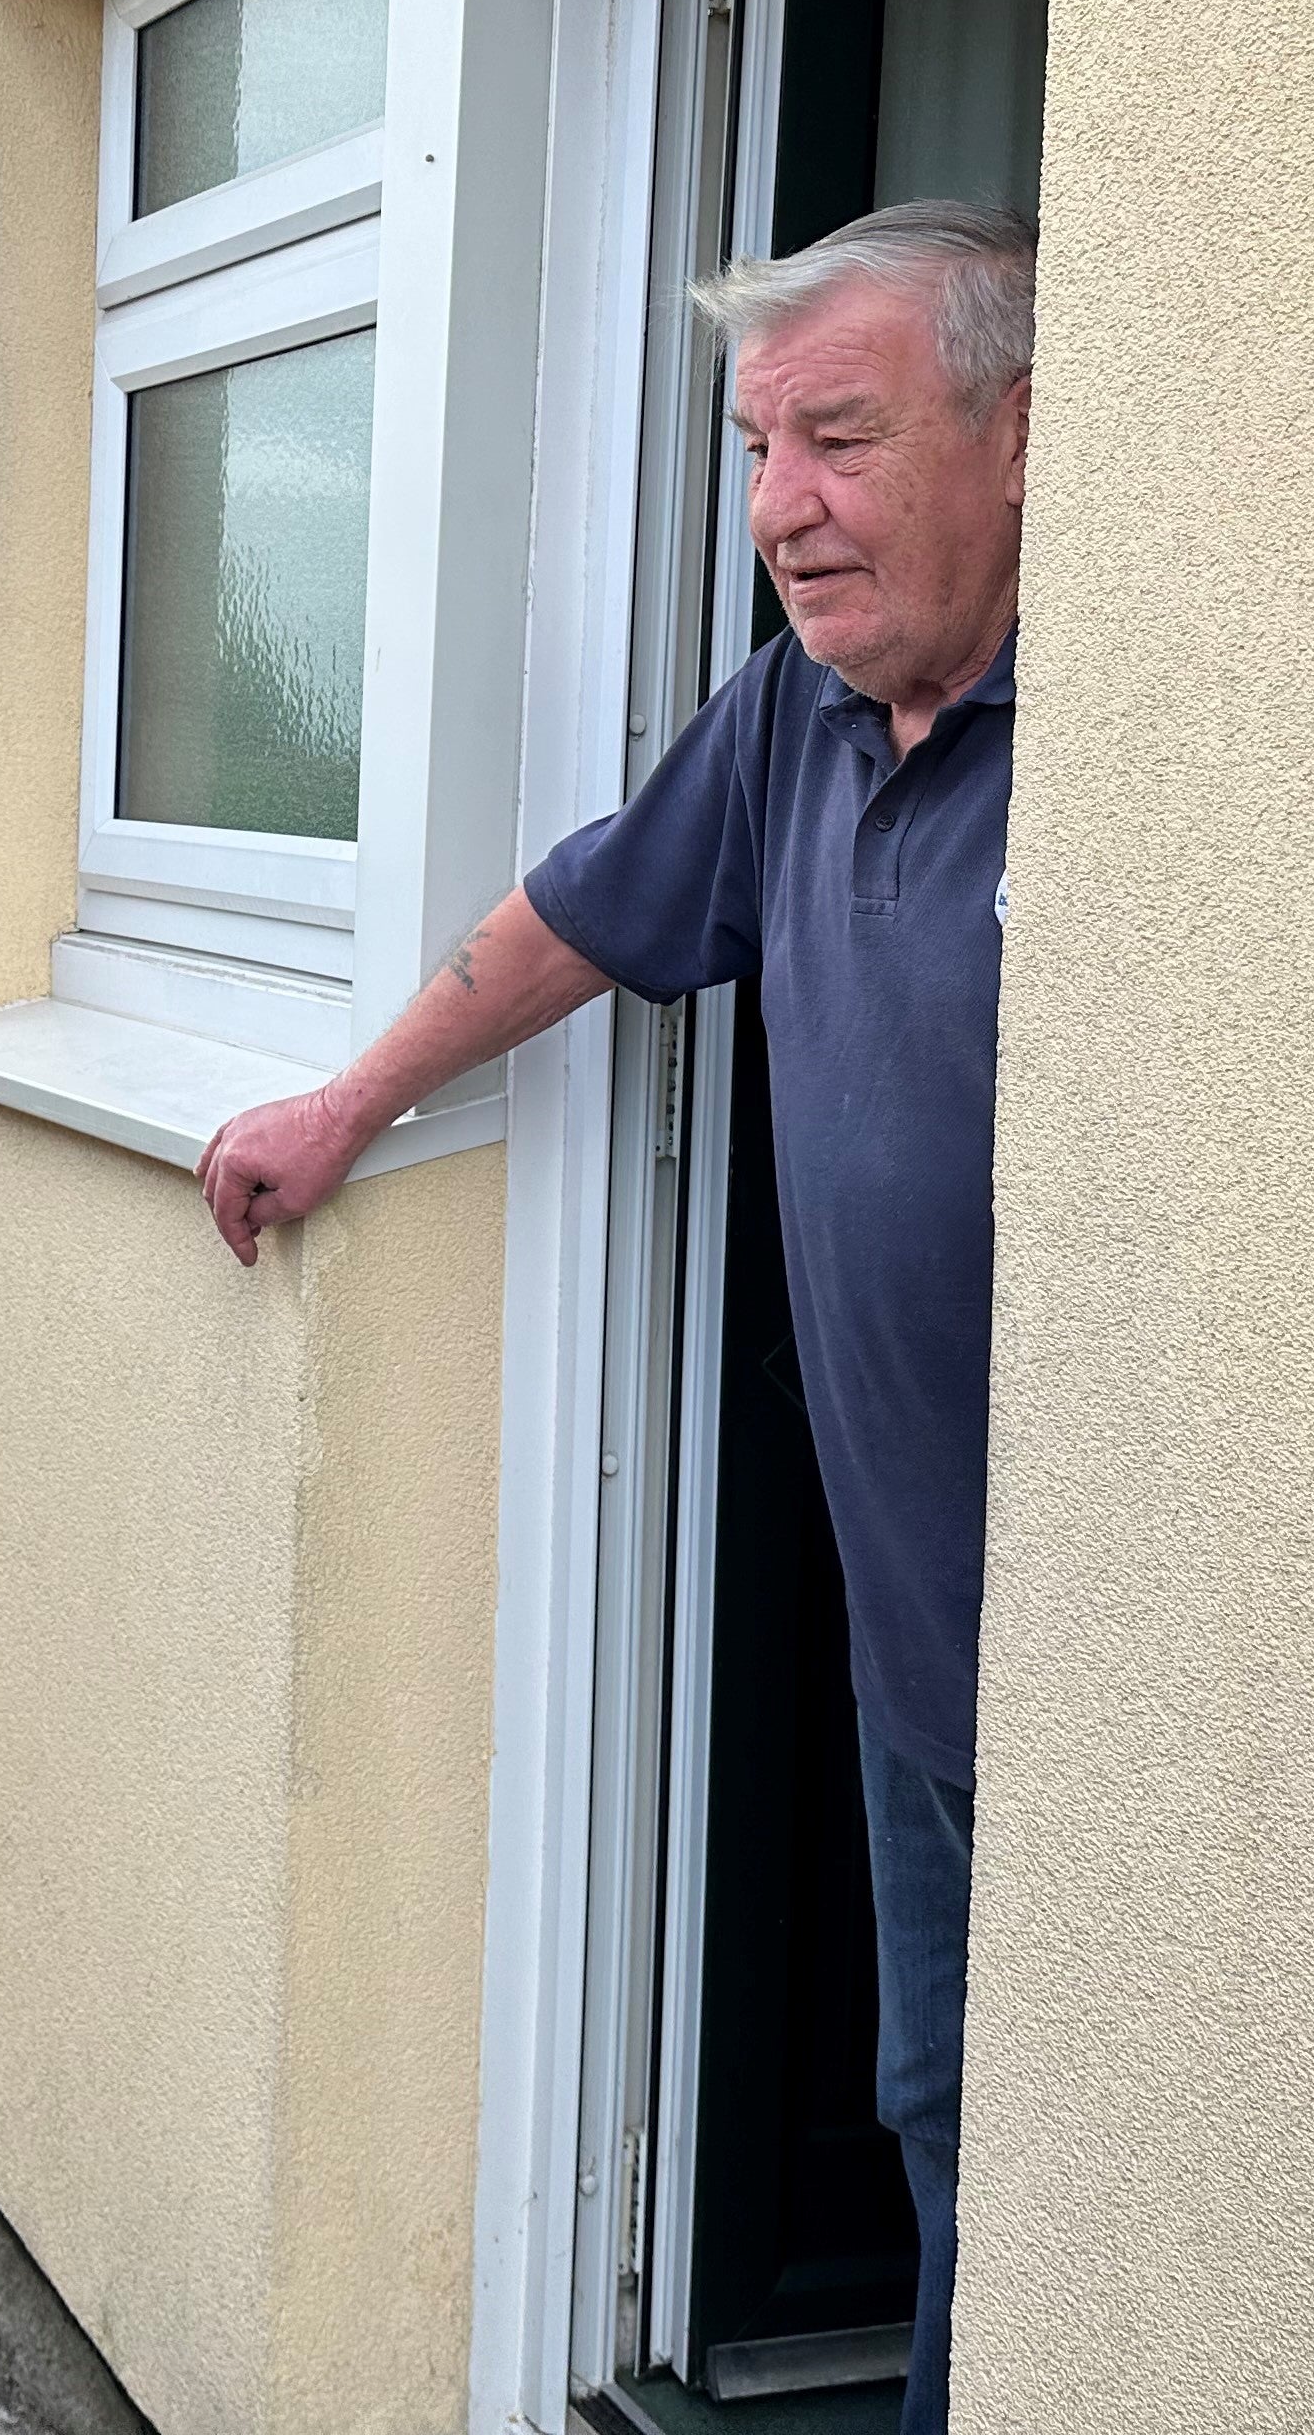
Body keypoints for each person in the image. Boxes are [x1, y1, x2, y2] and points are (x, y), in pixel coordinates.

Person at [194, 199, 1031, 2435]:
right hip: (920, 1643)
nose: (781, 510)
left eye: (839, 441)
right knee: (949, 2126)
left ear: (1026, 433)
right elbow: (582, 907)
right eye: (761, 452)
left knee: (1109, 2186)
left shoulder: (1135, 750)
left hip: (1142, 1695)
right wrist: (353, 1096)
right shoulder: (803, 721)